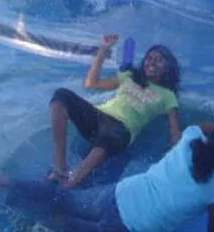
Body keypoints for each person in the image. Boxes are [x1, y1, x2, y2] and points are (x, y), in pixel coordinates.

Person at [0, 123, 214, 232]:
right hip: (132, 231)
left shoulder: (190, 140)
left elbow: (205, 126)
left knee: (65, 198)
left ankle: (3, 183)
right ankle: (50, 225)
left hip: (119, 195)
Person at [48, 33, 182, 187]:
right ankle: (60, 168)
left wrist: (175, 156)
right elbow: (92, 83)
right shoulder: (130, 76)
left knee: (109, 136)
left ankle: (72, 182)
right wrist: (103, 50)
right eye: (149, 58)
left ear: (167, 68)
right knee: (61, 96)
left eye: (159, 60)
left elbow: (174, 132)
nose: (152, 62)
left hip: (122, 129)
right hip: (98, 116)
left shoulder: (168, 95)